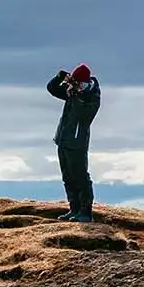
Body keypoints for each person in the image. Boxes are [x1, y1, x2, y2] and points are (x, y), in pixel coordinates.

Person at [46, 63, 101, 221]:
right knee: (68, 177)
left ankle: (85, 213)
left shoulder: (91, 96)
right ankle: (74, 209)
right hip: (63, 140)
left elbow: (84, 115)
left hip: (77, 143)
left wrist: (76, 94)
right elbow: (52, 89)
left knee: (81, 177)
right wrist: (61, 77)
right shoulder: (73, 92)